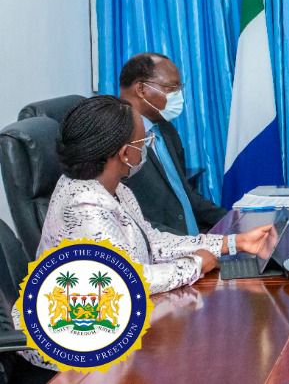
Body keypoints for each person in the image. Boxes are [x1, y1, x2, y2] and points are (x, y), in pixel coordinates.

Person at [10, 96, 273, 371]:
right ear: (125, 153)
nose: (147, 146)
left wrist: (231, 243)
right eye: (144, 141)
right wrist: (195, 263)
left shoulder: (115, 189)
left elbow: (153, 242)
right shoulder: (83, 205)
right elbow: (127, 280)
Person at [118, 53, 227, 235]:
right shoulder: (115, 137)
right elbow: (130, 219)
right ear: (141, 89)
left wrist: (231, 221)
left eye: (179, 88)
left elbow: (184, 193)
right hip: (164, 247)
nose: (179, 96)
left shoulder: (166, 130)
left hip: (196, 242)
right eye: (171, 88)